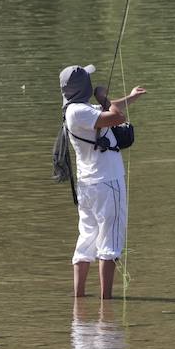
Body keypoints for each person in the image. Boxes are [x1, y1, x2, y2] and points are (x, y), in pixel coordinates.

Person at [57, 63, 146, 300]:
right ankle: (106, 301)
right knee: (110, 242)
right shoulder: (81, 112)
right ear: (83, 86)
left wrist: (131, 96)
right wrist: (103, 95)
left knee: (87, 240)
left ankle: (80, 300)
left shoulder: (75, 110)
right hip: (107, 183)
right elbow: (116, 116)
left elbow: (111, 109)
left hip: (90, 186)